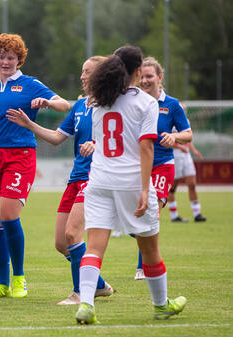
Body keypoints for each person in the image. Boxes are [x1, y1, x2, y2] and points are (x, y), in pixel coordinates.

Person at [74, 45, 186, 324]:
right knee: (150, 250)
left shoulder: (98, 99)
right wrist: (147, 190)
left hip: (98, 181)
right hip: (131, 183)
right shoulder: (146, 102)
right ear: (138, 71)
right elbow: (146, 148)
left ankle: (86, 305)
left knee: (94, 248)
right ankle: (161, 306)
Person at [6, 56, 114, 305]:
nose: (82, 76)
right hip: (75, 178)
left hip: (96, 178)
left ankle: (80, 293)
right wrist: (29, 124)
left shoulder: (111, 107)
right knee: (60, 243)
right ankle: (98, 284)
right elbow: (56, 138)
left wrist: (96, 146)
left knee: (72, 234)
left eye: (87, 72)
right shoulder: (79, 106)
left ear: (101, 76)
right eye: (82, 71)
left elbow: (119, 142)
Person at [0, 33, 70, 299]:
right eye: (1, 57)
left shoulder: (30, 84)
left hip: (20, 156)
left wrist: (47, 102)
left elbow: (64, 105)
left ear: (19, 60)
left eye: (11, 57)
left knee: (9, 215)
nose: (5, 62)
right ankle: (2, 283)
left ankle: (19, 278)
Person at [131, 56, 193, 280]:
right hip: (135, 166)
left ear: (159, 77)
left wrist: (174, 135)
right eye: (142, 77)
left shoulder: (172, 105)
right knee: (131, 217)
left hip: (162, 165)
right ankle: (146, 253)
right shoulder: (133, 101)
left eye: (149, 76)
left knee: (149, 212)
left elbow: (188, 134)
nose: (145, 81)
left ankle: (143, 268)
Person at [169, 141, 207, 222]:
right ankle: (174, 216)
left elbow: (186, 137)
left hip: (186, 155)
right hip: (174, 156)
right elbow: (164, 140)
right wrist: (178, 146)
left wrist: (194, 150)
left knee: (192, 185)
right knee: (172, 188)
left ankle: (197, 214)